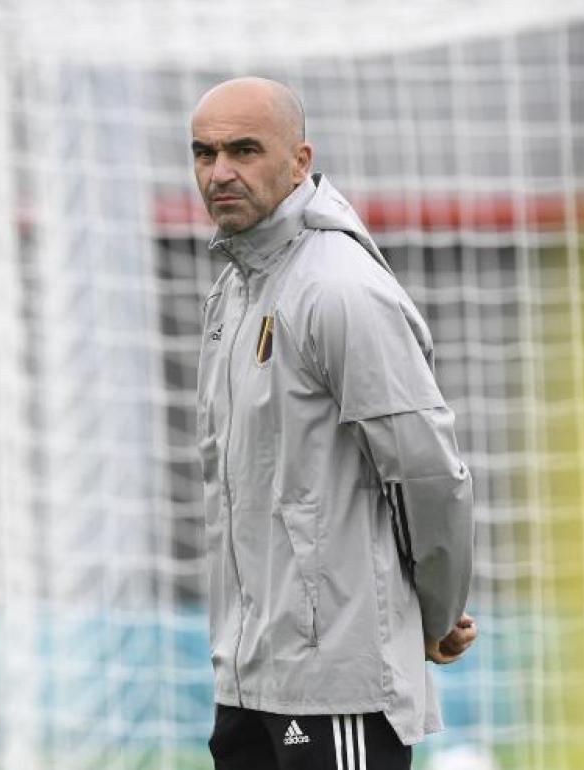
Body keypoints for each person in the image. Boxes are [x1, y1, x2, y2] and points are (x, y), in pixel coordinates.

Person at [191, 77, 477, 770]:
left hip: (336, 687)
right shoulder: (234, 290)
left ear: (299, 159)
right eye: (203, 153)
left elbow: (426, 471)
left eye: (244, 149)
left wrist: (437, 614)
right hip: (249, 678)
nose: (220, 172)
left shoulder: (338, 287)